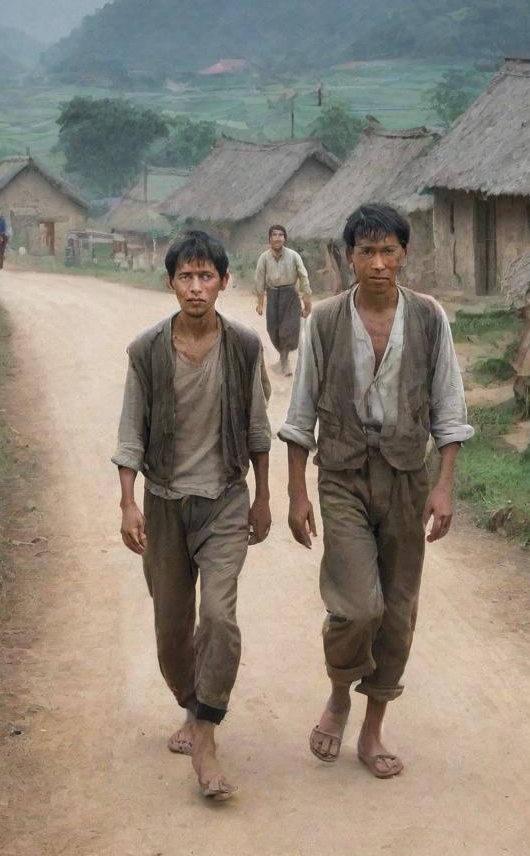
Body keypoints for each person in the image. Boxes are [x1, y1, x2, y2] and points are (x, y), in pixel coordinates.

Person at [278, 204, 473, 780]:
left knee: (398, 610)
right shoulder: (327, 321)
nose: (379, 263)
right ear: (349, 257)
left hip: (408, 476)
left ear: (404, 255)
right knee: (358, 605)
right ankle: (340, 692)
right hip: (341, 473)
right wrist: (295, 494)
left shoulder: (431, 318)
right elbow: (300, 412)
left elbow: (449, 408)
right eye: (367, 252)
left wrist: (443, 486)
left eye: (389, 251)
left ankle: (372, 727)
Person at [113, 229, 273, 800]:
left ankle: (206, 731)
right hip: (162, 504)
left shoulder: (245, 348)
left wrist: (264, 496)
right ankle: (189, 702)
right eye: (186, 276)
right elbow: (131, 431)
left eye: (207, 276)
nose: (197, 287)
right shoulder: (147, 350)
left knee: (220, 617)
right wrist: (129, 501)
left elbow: (258, 428)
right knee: (170, 630)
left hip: (225, 500)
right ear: (171, 283)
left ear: (225, 283)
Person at [254, 224, 312, 376]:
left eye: (281, 235)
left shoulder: (293, 256)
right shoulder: (264, 258)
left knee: (287, 329)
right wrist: (260, 303)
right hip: (272, 296)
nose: (278, 238)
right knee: (272, 330)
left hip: (290, 296)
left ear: (285, 238)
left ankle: (285, 361)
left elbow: (304, 277)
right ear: (270, 239)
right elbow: (259, 280)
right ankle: (282, 356)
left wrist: (307, 303)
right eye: (274, 235)